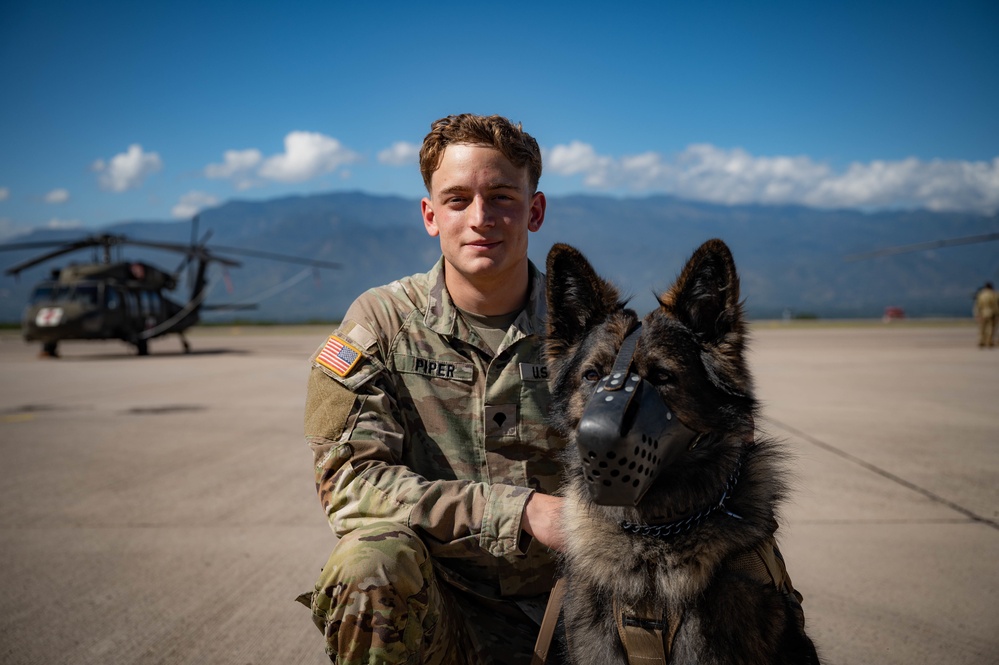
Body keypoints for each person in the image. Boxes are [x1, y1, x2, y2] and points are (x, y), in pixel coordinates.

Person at [300, 114, 566, 665]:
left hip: (578, 605)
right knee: (368, 564)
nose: (481, 218)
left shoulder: (590, 333)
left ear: (534, 211)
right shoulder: (382, 325)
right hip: (440, 609)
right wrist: (518, 512)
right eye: (457, 200)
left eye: (501, 197)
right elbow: (352, 486)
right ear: (430, 215)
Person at [974, 281, 998, 347]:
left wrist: (977, 314)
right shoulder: (994, 294)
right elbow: (996, 304)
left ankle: (981, 341)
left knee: (982, 328)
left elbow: (978, 305)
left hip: (983, 313)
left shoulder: (981, 295)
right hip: (992, 313)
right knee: (991, 328)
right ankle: (989, 341)